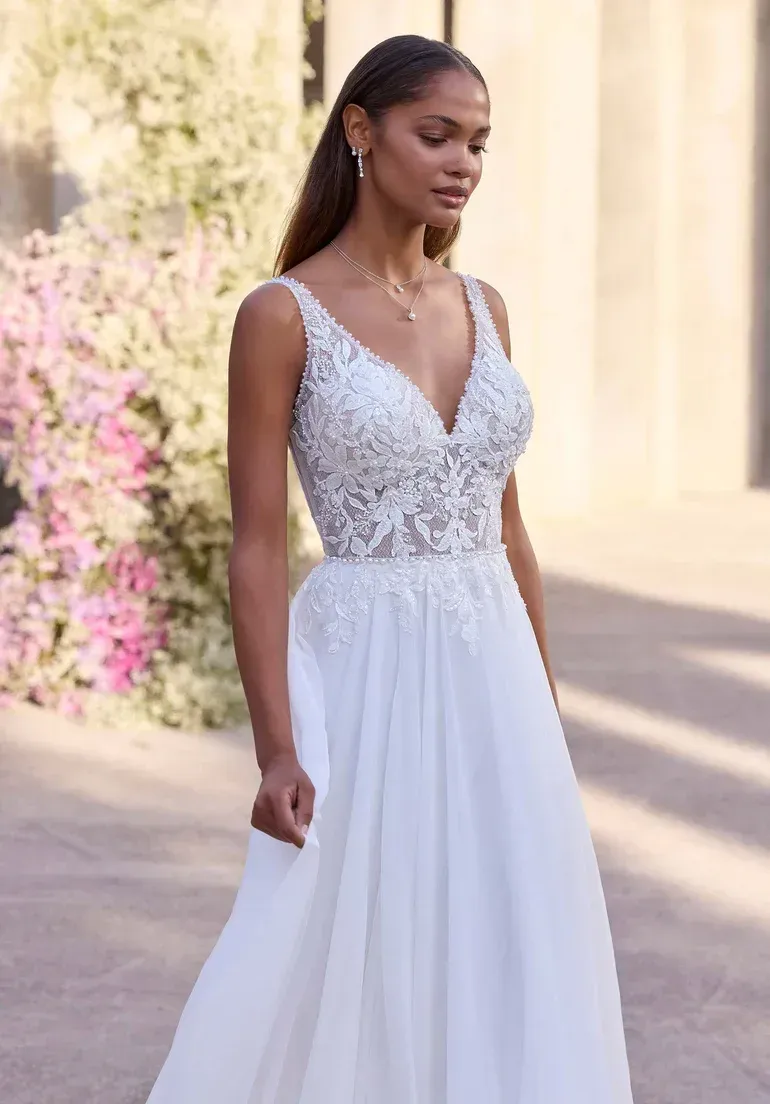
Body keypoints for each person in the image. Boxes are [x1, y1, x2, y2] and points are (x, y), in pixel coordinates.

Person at [146, 34, 635, 1104]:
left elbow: (508, 529)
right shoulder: (281, 315)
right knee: (351, 927)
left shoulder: (483, 306)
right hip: (363, 665)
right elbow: (259, 545)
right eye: (437, 134)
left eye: (478, 143)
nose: (462, 160)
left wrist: (541, 708)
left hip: (490, 664)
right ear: (361, 132)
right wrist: (274, 749)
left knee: (506, 929)